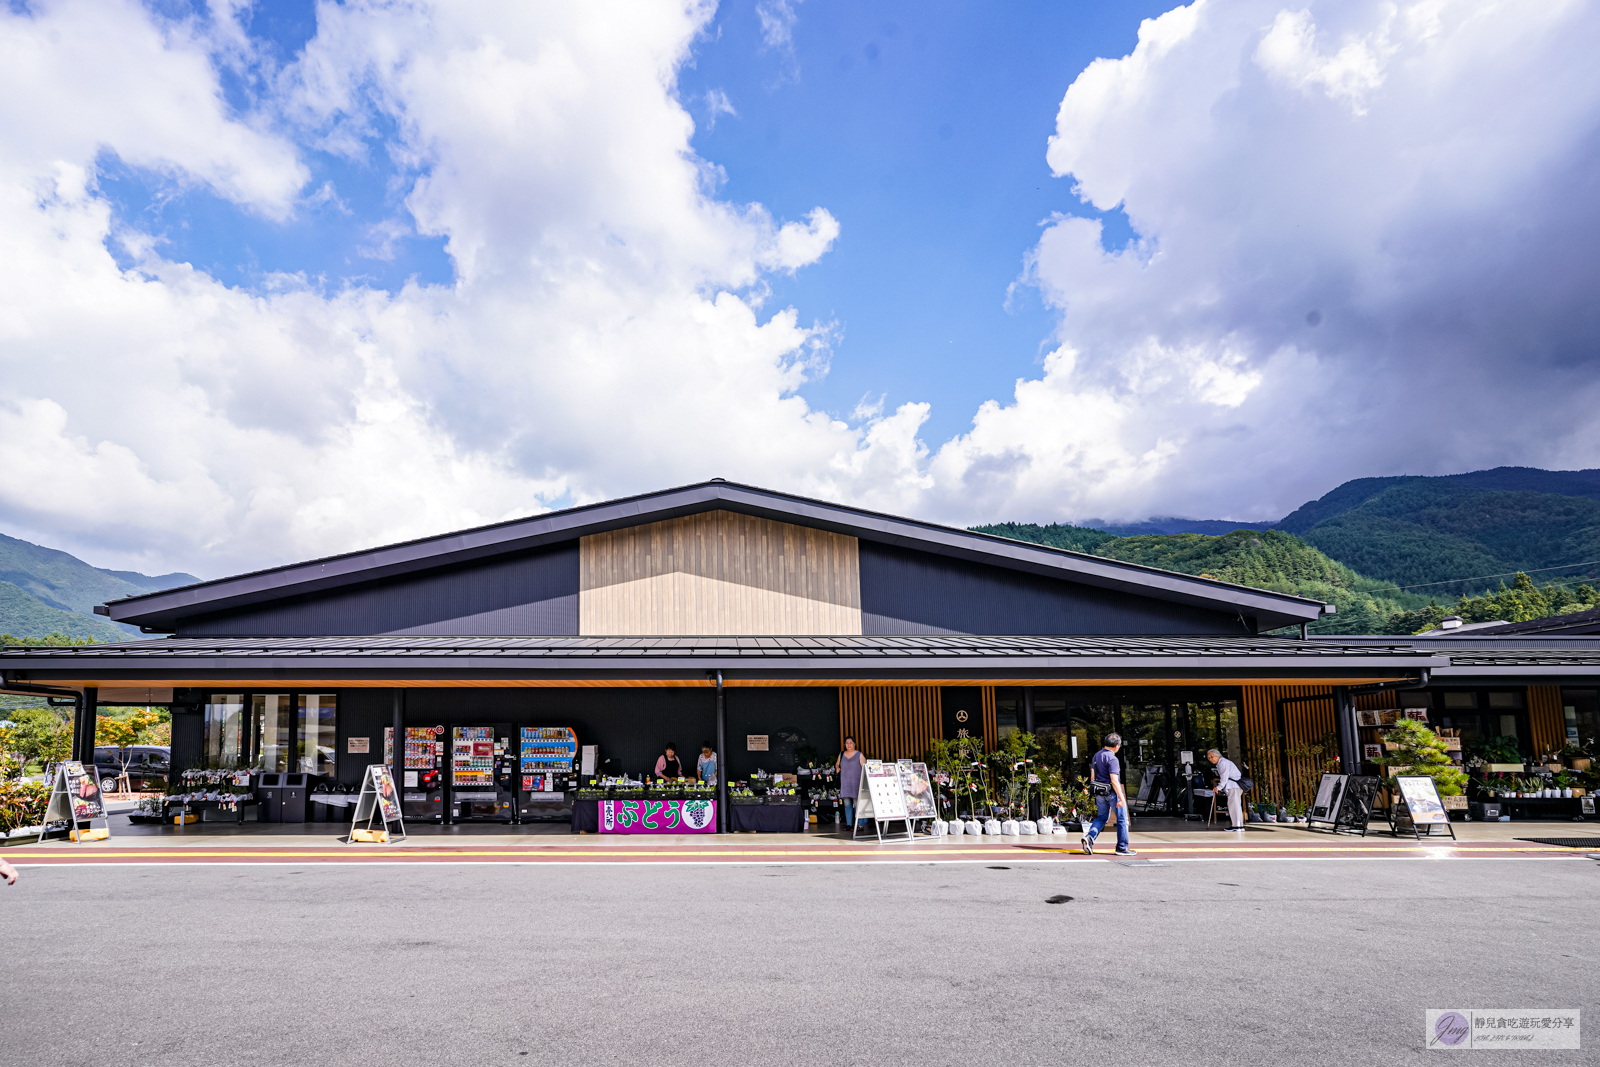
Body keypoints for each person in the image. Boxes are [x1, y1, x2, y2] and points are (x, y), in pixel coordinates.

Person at [1082, 733, 1136, 856]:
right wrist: (1121, 798)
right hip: (1112, 792)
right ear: (1117, 746)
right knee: (1122, 819)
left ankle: (1090, 838)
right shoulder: (1112, 759)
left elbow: (1092, 777)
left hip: (1099, 792)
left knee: (1101, 818)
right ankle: (1122, 847)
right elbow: (1114, 780)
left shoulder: (1096, 755)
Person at [1207, 748, 1245, 831]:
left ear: (1217, 756)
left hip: (1233, 786)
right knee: (1234, 806)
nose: (1211, 759)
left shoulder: (1223, 763)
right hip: (1233, 786)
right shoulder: (1222, 763)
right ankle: (1237, 825)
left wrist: (1218, 787)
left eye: (1212, 757)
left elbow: (1224, 778)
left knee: (1234, 806)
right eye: (1209, 758)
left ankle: (1238, 826)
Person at [835, 737, 864, 829]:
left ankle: (859, 824)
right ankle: (849, 824)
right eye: (847, 743)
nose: (849, 745)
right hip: (845, 783)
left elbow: (865, 767)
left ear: (854, 744)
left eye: (851, 743)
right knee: (847, 804)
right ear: (844, 744)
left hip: (856, 783)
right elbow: (837, 763)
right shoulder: (842, 754)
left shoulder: (859, 754)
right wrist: (837, 768)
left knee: (857, 804)